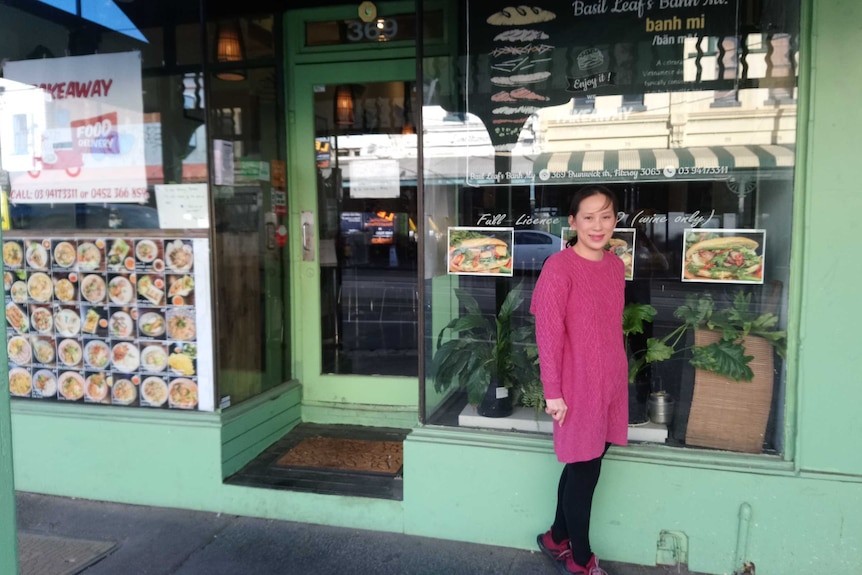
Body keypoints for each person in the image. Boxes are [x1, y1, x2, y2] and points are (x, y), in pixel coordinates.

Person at [529, 185, 628, 575]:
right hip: (575, 385)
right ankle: (582, 561)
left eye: (606, 216)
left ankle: (555, 538)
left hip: (609, 383)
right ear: (572, 222)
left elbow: (609, 328)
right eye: (588, 217)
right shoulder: (559, 267)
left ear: (615, 220)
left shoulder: (616, 266)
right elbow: (548, 335)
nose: (598, 225)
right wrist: (553, 392)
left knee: (581, 465)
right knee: (585, 471)